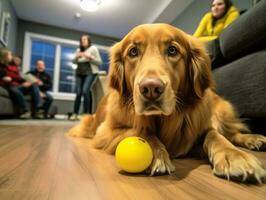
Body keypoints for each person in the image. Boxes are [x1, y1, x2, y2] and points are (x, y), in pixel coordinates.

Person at [0, 48, 42, 119]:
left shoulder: (13, 67)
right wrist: (2, 78)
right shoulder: (4, 67)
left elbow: (18, 78)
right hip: (10, 86)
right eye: (10, 55)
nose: (11, 56)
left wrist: (26, 82)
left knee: (33, 85)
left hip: (17, 86)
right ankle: (25, 111)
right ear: (5, 56)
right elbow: (9, 77)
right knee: (14, 89)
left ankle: (38, 110)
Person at [70, 34, 102, 120]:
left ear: (88, 40)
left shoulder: (93, 48)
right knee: (78, 93)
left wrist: (90, 57)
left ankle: (86, 114)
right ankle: (75, 113)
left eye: (85, 39)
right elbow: (73, 61)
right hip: (79, 72)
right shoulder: (78, 50)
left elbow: (99, 62)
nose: (83, 41)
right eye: (82, 40)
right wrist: (77, 56)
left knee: (85, 91)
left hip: (90, 72)